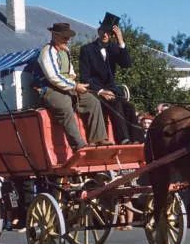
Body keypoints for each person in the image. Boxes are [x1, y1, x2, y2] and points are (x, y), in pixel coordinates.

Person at [37, 22, 109, 151]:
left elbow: (71, 72)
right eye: (65, 37)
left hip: (67, 86)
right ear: (55, 35)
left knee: (93, 101)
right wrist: (75, 86)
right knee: (65, 105)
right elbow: (54, 77)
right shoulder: (47, 52)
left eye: (68, 37)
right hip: (50, 89)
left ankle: (98, 139)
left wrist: (74, 83)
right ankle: (79, 146)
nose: (68, 40)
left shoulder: (65, 51)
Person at [79, 12, 139, 145]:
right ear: (98, 31)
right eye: (103, 31)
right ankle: (123, 140)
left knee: (128, 106)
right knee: (115, 103)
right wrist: (100, 91)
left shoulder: (113, 48)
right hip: (95, 92)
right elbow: (84, 77)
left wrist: (121, 41)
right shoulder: (87, 50)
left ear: (112, 35)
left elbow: (126, 64)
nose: (105, 35)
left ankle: (138, 140)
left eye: (109, 32)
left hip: (112, 90)